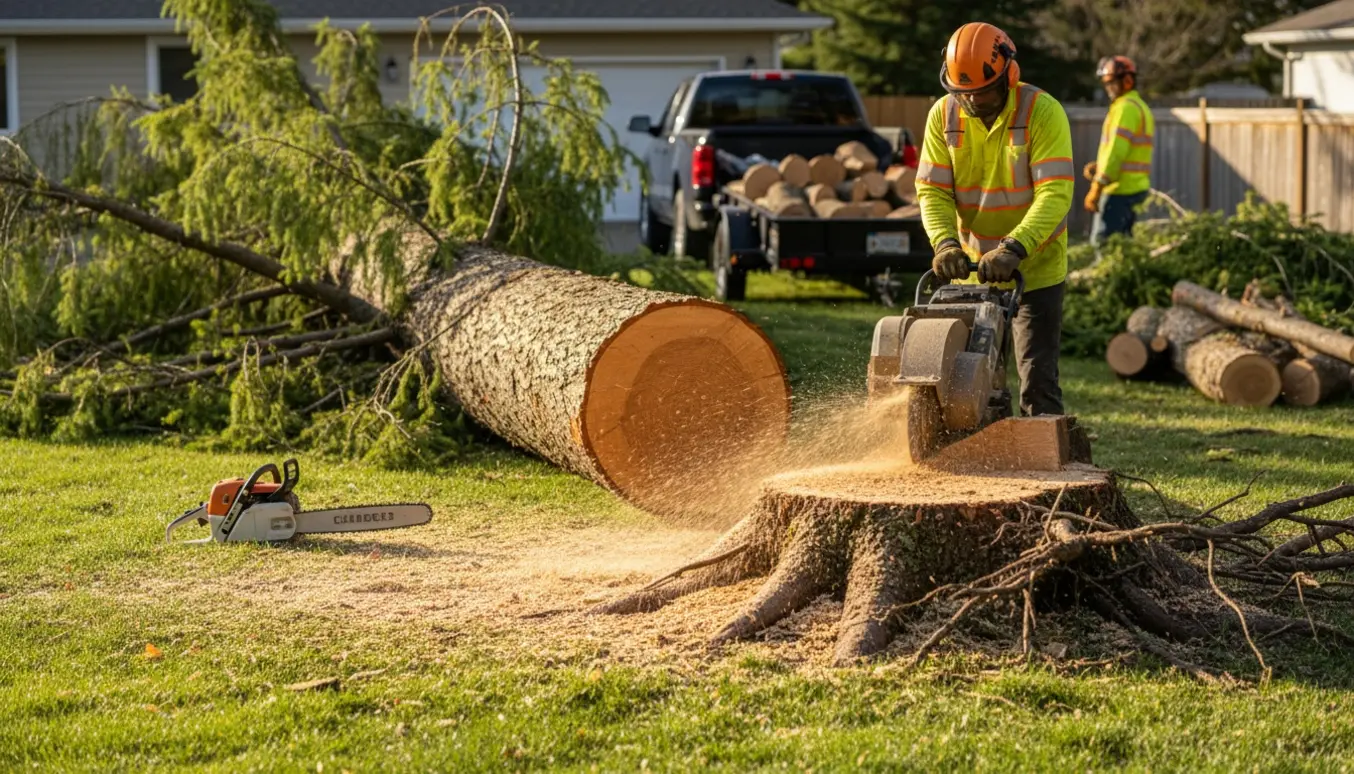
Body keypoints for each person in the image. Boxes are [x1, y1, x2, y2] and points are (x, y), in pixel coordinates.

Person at [915, 22, 1075, 418]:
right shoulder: (943, 115)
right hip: (971, 272)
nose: (972, 101)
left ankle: (1045, 451)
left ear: (1009, 74)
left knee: (1038, 381)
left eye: (983, 91)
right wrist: (945, 243)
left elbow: (1056, 192)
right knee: (967, 384)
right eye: (963, 92)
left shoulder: (1042, 112)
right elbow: (933, 191)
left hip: (1035, 270)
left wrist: (1015, 248)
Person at [1084, 55, 1154, 245]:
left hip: (1119, 191)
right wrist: (1100, 167)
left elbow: (1116, 151)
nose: (1108, 88)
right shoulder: (1140, 107)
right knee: (1124, 246)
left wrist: (1097, 186)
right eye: (1106, 83)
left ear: (1127, 80)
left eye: (1112, 82)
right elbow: (1126, 152)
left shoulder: (1125, 108)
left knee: (1103, 243)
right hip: (1136, 188)